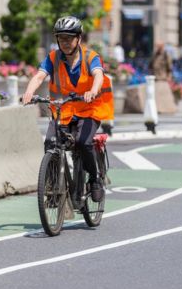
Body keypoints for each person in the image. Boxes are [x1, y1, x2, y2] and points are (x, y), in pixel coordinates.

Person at [22, 16, 114, 202]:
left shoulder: (90, 57)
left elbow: (98, 75)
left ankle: (95, 180)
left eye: (69, 38)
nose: (65, 42)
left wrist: (93, 90)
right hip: (63, 111)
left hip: (89, 109)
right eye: (61, 38)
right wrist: (29, 92)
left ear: (78, 38)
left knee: (82, 142)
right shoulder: (53, 58)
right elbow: (40, 76)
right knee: (50, 142)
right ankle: (54, 187)